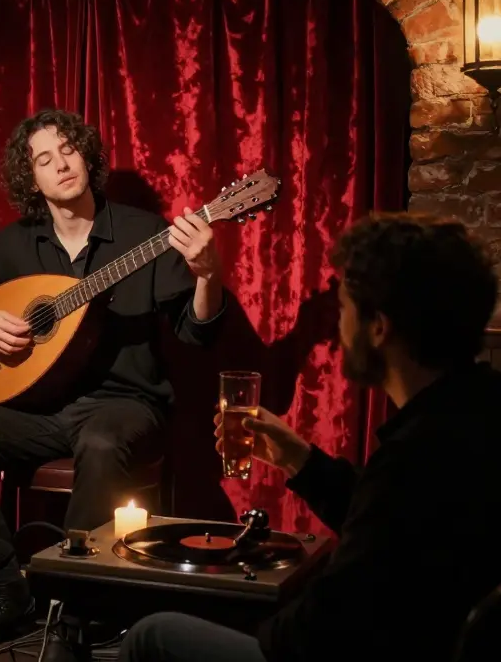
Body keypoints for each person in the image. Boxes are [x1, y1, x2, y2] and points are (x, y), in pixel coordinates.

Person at [119, 213, 501, 662]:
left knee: (152, 636)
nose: (340, 326)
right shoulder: (474, 411)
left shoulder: (416, 456)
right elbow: (382, 518)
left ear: (378, 327)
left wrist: (245, 616)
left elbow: (319, 628)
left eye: (344, 308)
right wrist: (301, 460)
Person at [0, 109, 227, 648]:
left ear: (86, 156)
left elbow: (196, 333)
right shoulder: (17, 244)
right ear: (31, 179)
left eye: (68, 149)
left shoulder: (143, 233)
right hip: (39, 410)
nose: (61, 164)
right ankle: (6, 589)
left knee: (101, 442)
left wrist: (207, 276)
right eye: (45, 159)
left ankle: (72, 608)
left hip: (125, 405)